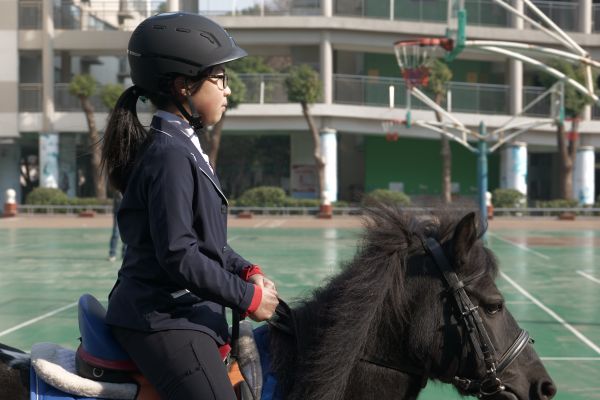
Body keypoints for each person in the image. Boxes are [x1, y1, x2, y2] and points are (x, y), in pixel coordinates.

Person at [100, 12, 279, 400]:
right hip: (159, 317)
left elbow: (205, 242)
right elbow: (179, 254)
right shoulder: (169, 154)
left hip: (181, 308)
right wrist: (247, 299)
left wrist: (247, 271)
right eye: (220, 79)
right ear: (184, 86)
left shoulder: (181, 145)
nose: (227, 90)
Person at [107, 191, 125, 262]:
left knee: (127, 232)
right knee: (115, 233)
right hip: (118, 209)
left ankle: (125, 254)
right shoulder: (118, 182)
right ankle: (112, 253)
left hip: (128, 209)